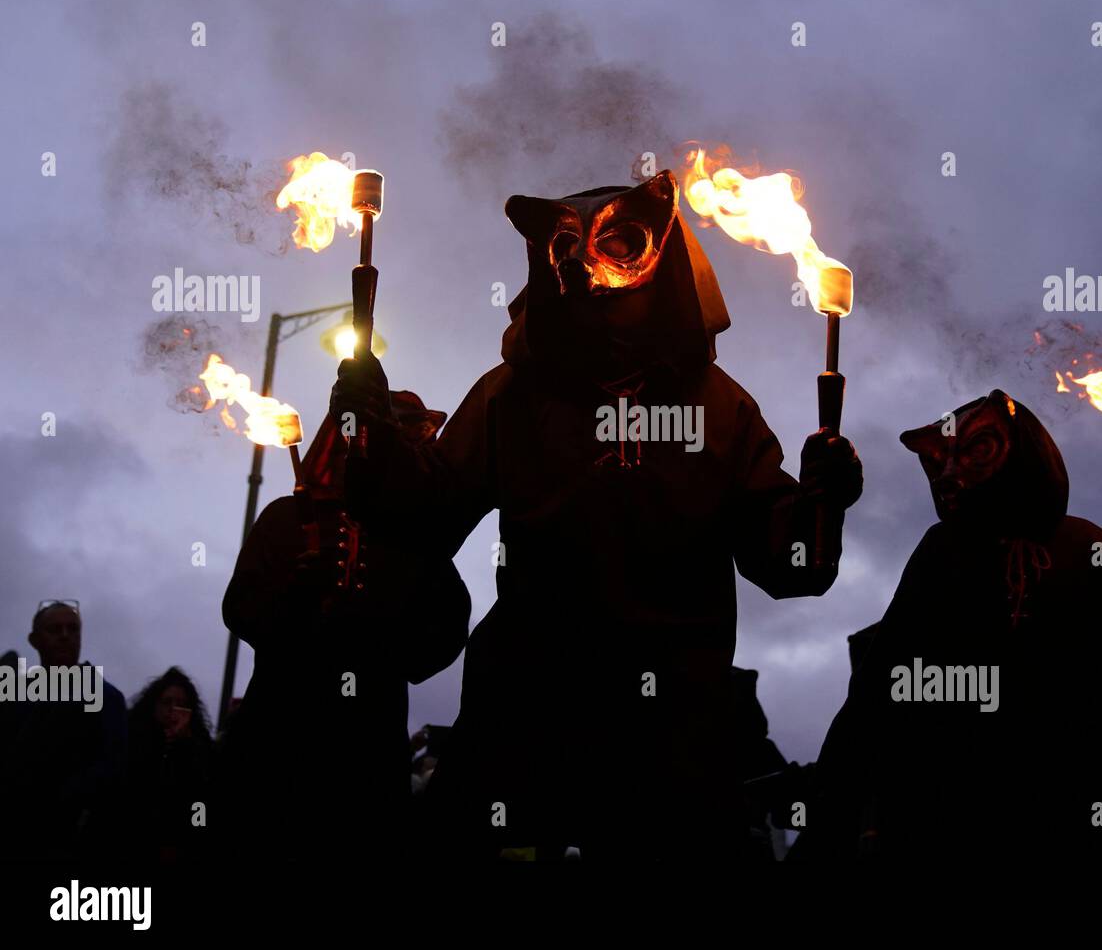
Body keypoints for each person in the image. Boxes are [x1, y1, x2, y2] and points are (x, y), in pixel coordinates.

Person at [331, 169, 864, 859]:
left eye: (619, 241)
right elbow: (426, 514)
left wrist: (822, 501)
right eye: (565, 247)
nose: (586, 265)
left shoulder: (721, 408)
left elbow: (791, 566)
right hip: (528, 707)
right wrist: (366, 437)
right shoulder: (510, 396)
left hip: (671, 727)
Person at [793, 390, 1102, 881]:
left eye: (976, 451)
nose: (948, 476)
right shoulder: (944, 553)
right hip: (966, 827)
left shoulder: (1086, 546)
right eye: (938, 461)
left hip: (1081, 814)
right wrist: (830, 822)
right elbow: (879, 694)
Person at [219, 392, 471, 862]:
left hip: (367, 746)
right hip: (277, 735)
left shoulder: (414, 537)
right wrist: (297, 598)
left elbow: (445, 632)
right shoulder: (288, 516)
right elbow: (240, 608)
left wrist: (378, 627)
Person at [10, 600, 127, 860]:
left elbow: (113, 769)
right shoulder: (15, 697)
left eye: (73, 629)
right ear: (34, 639)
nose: (65, 636)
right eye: (55, 629)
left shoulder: (105, 698)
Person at [125, 667, 214, 863]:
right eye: (167, 702)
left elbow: (201, 799)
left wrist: (186, 747)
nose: (173, 709)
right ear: (155, 705)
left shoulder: (201, 748)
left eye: (182, 704)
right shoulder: (132, 739)